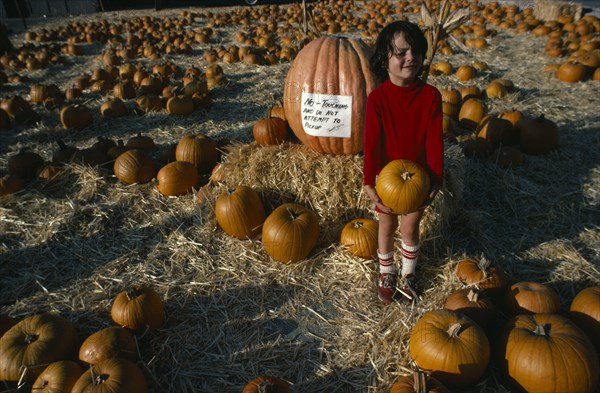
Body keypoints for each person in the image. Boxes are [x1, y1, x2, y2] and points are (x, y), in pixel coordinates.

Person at [363, 20, 444, 305]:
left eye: (416, 51)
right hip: (386, 178)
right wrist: (368, 181)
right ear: (384, 59)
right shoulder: (377, 100)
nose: (411, 57)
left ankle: (408, 274)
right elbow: (370, 144)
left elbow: (435, 141)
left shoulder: (430, 96)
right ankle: (387, 272)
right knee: (386, 225)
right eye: (401, 52)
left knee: (410, 227)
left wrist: (436, 180)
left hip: (418, 177)